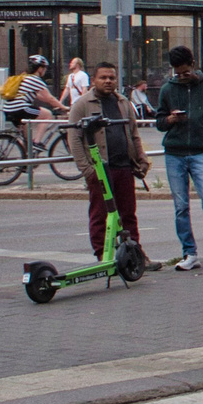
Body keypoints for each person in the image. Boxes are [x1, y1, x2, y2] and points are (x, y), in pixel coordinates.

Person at [67, 62, 161, 270]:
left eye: (112, 77)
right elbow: (74, 139)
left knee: (128, 214)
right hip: (100, 170)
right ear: (94, 80)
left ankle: (135, 255)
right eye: (103, 78)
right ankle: (103, 257)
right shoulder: (82, 104)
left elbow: (134, 134)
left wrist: (141, 159)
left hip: (123, 167)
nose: (108, 81)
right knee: (100, 214)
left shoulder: (123, 103)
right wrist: (87, 170)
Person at [154, 46, 203, 271]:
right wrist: (170, 119)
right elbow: (159, 122)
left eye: (185, 72)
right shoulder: (168, 90)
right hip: (174, 153)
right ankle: (189, 253)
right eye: (177, 74)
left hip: (200, 152)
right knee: (181, 206)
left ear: (194, 64)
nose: (181, 77)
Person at [3, 55, 65, 143]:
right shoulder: (35, 79)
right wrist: (64, 107)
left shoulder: (24, 77)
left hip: (8, 109)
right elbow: (50, 98)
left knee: (27, 140)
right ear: (40, 68)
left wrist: (55, 104)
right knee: (47, 115)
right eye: (45, 68)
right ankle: (37, 142)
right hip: (20, 108)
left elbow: (41, 97)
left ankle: (26, 152)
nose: (45, 70)